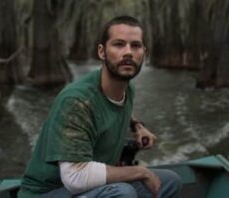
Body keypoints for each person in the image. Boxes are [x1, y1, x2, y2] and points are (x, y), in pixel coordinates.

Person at [18, 15, 182, 198]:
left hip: (89, 188)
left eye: (135, 45)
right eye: (119, 44)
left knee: (170, 181)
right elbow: (76, 177)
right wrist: (140, 171)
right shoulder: (76, 101)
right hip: (48, 192)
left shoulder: (127, 89)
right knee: (122, 193)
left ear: (144, 52)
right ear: (102, 52)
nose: (128, 52)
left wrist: (137, 126)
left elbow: (115, 106)